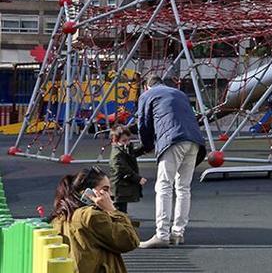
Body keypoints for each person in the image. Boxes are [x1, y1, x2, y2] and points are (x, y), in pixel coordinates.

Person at [137, 74, 207, 248]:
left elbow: (144, 123)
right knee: (183, 187)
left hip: (173, 140)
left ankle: (162, 234)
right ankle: (178, 233)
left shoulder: (147, 95)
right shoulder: (179, 93)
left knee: (164, 185)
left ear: (147, 86)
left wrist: (145, 146)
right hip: (194, 141)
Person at [51, 166, 140, 273]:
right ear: (87, 192)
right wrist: (111, 210)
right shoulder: (91, 216)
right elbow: (129, 241)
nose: (110, 195)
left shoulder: (61, 217)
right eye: (105, 189)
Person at [108, 125, 147, 215]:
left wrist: (143, 150)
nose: (127, 143)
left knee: (121, 208)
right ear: (115, 141)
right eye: (124, 141)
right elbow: (123, 169)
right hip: (119, 187)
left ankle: (122, 221)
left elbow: (131, 154)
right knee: (119, 209)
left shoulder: (122, 149)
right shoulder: (117, 154)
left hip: (121, 187)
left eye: (128, 140)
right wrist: (138, 179)